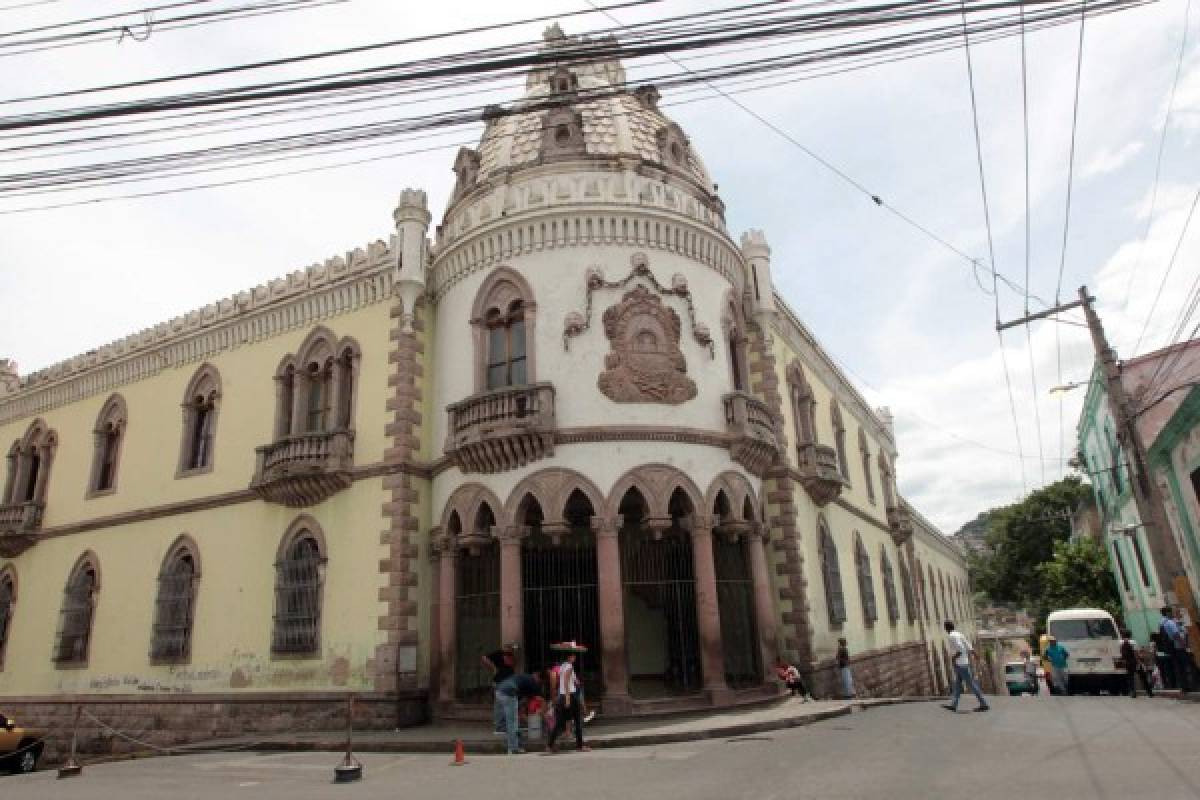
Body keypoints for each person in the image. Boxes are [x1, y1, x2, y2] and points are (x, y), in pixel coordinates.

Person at [546, 641, 590, 754]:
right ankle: (580, 746)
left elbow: (572, 680)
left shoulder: (562, 666)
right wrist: (568, 699)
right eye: (573, 655)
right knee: (578, 721)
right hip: (569, 696)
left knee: (559, 723)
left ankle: (549, 746)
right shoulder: (569, 666)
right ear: (570, 656)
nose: (575, 657)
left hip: (562, 696)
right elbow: (565, 682)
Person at [941, 620, 989, 713]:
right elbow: (969, 646)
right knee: (958, 685)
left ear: (946, 628)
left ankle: (984, 704)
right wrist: (976, 655)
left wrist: (954, 658)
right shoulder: (959, 634)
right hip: (963, 663)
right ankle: (954, 705)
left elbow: (961, 649)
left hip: (960, 664)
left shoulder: (952, 636)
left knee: (971, 684)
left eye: (945, 627)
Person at [496, 672, 541, 754]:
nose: (538, 682)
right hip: (509, 692)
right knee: (512, 722)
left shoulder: (522, 678)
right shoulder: (531, 681)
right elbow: (532, 698)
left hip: (499, 691)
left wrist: (520, 710)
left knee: (510, 720)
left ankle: (501, 728)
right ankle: (513, 748)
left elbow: (522, 699)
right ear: (536, 676)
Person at [482, 643, 518, 735]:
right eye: (510, 648)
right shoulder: (499, 653)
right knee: (499, 705)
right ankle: (499, 727)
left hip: (508, 681)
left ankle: (503, 725)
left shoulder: (511, 655)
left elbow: (512, 665)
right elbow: (484, 658)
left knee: (506, 704)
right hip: (500, 681)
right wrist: (493, 668)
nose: (511, 650)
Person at [1160, 606, 1191, 692]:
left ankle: (1184, 686)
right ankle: (1188, 685)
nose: (1173, 613)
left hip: (1173, 648)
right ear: (1167, 613)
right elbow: (1176, 635)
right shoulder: (1170, 622)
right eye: (1172, 612)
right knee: (1185, 665)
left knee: (1178, 667)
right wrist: (1185, 645)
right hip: (1179, 647)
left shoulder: (1163, 623)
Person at [1120, 630, 1153, 698]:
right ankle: (1149, 692)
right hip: (1134, 662)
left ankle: (1133, 692)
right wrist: (1139, 662)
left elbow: (1121, 653)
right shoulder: (1133, 642)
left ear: (1123, 635)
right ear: (1130, 635)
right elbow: (1135, 653)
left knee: (1130, 678)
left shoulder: (1120, 642)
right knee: (1143, 677)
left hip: (1127, 662)